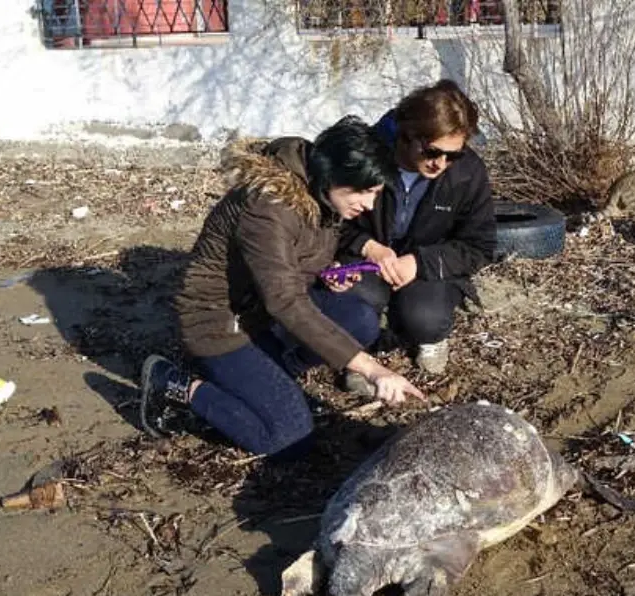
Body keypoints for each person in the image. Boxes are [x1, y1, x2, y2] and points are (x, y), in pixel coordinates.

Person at [139, 115, 425, 460]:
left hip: (260, 315)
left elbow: (294, 262)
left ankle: (270, 377)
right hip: (220, 326)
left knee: (358, 320)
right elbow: (285, 301)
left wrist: (327, 271)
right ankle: (176, 384)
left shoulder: (321, 192)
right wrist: (371, 368)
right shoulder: (268, 206)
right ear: (335, 175)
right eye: (365, 192)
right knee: (289, 437)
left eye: (376, 193)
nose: (369, 205)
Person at [337, 79, 496, 384]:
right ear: (407, 135)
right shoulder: (364, 155)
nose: (441, 164)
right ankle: (356, 353)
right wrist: (367, 246)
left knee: (427, 320)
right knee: (356, 303)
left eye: (453, 155)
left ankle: (421, 332)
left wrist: (418, 263)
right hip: (366, 258)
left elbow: (479, 245)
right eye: (433, 152)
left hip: (427, 261)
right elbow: (330, 219)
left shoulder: (468, 172)